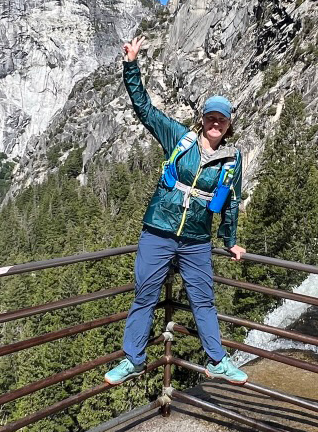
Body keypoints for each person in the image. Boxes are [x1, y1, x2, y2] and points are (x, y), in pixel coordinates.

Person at [104, 36, 248, 385]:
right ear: (202, 119)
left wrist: (230, 240)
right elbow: (145, 110)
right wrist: (131, 65)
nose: (216, 123)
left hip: (197, 241)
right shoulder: (179, 138)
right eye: (211, 117)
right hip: (158, 232)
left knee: (204, 301)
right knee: (145, 297)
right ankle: (133, 360)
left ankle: (217, 360)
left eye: (222, 119)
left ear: (228, 125)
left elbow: (231, 201)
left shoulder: (232, 159)